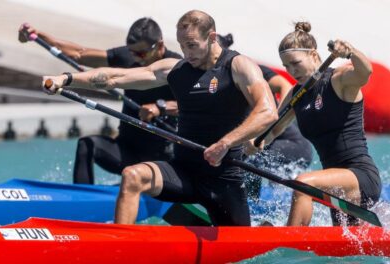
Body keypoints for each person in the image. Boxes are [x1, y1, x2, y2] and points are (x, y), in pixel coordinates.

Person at [42, 10, 278, 226]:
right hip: (183, 171)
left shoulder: (237, 66)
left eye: (192, 45)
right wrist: (67, 78)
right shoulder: (176, 69)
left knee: (240, 241)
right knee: (133, 176)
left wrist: (226, 143)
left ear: (212, 36)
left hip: (223, 177)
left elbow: (268, 111)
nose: (186, 53)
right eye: (182, 45)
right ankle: (119, 246)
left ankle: (261, 232)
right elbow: (115, 78)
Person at [19, 18, 182, 184]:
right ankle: (83, 200)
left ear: (159, 45)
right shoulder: (129, 57)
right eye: (131, 52)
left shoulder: (177, 67)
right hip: (127, 150)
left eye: (140, 54)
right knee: (87, 144)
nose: (135, 58)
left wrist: (160, 107)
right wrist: (39, 35)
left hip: (161, 159)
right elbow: (79, 54)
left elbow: (195, 104)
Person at [249, 22, 381, 226]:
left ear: (313, 54)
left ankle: (287, 243)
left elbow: (365, 72)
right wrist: (250, 144)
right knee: (346, 253)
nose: (292, 71)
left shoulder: (339, 80)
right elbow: (273, 130)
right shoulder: (296, 95)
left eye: (296, 63)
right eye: (286, 66)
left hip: (360, 177)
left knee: (303, 184)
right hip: (333, 183)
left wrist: (350, 51)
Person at [217, 33, 313, 199]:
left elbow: (284, 85)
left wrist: (273, 119)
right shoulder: (209, 80)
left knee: (246, 158)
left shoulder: (248, 70)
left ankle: (250, 206)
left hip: (293, 145)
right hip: (265, 144)